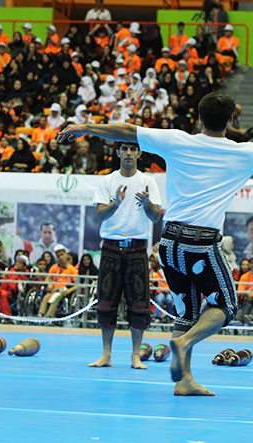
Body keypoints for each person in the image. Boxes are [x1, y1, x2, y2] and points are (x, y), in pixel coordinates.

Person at [57, 91, 253, 395]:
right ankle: (185, 342)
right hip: (201, 244)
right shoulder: (243, 152)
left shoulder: (176, 140)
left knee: (187, 310)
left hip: (169, 244)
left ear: (198, 117)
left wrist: (86, 127)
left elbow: (126, 131)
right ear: (231, 120)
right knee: (227, 305)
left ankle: (184, 382)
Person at [87, 142, 162, 370]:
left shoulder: (148, 181)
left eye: (132, 149)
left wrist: (147, 203)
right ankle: (106, 355)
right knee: (106, 303)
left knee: (139, 304)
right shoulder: (107, 181)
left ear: (139, 153)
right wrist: (116, 203)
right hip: (111, 247)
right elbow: (100, 215)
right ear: (118, 152)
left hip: (137, 249)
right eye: (125, 149)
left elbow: (156, 217)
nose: (128, 153)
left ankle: (135, 356)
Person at [37, 244, 78, 318]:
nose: (60, 257)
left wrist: (69, 290)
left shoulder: (72, 269)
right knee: (46, 297)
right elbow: (48, 278)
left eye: (62, 255)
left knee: (56, 296)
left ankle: (49, 315)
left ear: (66, 255)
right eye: (58, 256)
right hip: (53, 290)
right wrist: (49, 284)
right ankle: (40, 314)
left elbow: (77, 285)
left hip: (64, 291)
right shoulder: (54, 267)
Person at [150, 252, 173, 323]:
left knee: (169, 300)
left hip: (168, 291)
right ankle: (157, 317)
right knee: (159, 299)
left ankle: (172, 317)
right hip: (160, 291)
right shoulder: (155, 272)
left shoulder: (167, 270)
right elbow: (152, 280)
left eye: (153, 261)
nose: (151, 263)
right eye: (151, 261)